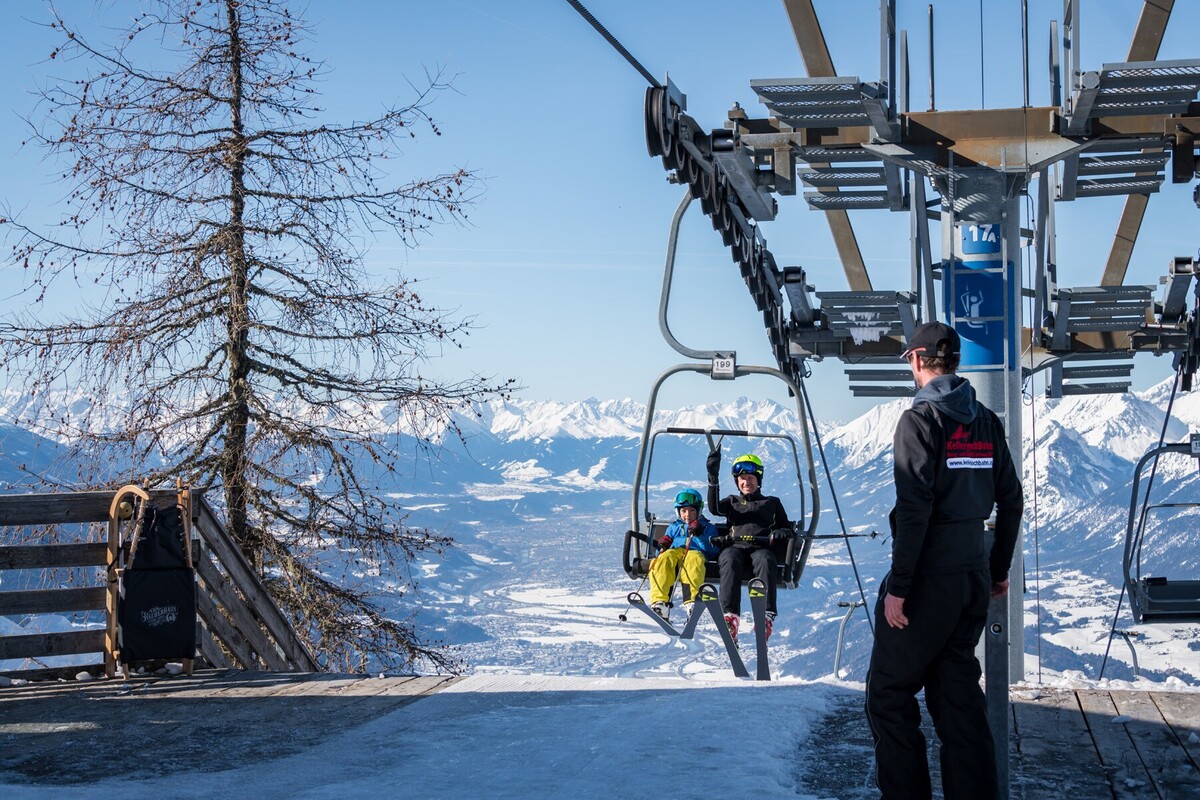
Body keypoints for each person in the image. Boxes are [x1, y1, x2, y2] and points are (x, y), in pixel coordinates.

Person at [864, 321, 1023, 800]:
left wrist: (899, 587)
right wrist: (996, 570)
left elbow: (915, 508)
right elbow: (1011, 500)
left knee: (888, 697)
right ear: (953, 362)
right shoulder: (986, 422)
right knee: (956, 697)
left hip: (928, 578)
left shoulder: (920, 421)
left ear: (916, 360)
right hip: (972, 575)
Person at [706, 450, 793, 644]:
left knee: (765, 559)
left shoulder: (771, 503)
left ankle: (765, 616)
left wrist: (782, 533)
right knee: (728, 558)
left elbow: (787, 528)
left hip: (760, 547)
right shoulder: (731, 502)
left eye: (751, 478)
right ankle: (730, 616)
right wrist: (713, 479)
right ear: (737, 482)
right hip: (736, 546)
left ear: (758, 480)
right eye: (742, 478)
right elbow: (714, 509)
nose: (747, 482)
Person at [648, 488, 720, 620]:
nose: (688, 514)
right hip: (675, 554)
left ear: (698, 510)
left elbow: (712, 550)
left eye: (692, 510)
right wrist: (663, 544)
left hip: (695, 553)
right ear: (678, 512)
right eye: (684, 511)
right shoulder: (673, 527)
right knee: (663, 559)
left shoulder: (707, 527)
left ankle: (692, 601)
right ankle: (660, 602)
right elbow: (661, 551)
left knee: (693, 559)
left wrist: (697, 535)